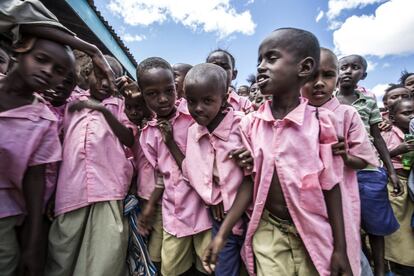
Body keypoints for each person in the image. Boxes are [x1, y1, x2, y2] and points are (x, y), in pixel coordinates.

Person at [203, 27, 352, 276]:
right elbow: (250, 182)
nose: (261, 67)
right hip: (268, 230)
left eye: (271, 59)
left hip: (313, 230)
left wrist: (340, 248)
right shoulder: (251, 124)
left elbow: (332, 187)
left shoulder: (321, 123)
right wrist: (223, 235)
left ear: (304, 68)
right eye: (259, 60)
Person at [45, 55, 135, 276]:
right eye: (100, 74)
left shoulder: (120, 105)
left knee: (104, 259)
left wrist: (103, 109)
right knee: (62, 256)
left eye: (112, 78)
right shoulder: (72, 104)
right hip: (70, 192)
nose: (106, 83)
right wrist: (51, 193)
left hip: (109, 192)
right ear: (87, 74)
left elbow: (130, 139)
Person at [302, 47, 380, 275]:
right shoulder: (294, 114)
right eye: (311, 76)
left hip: (342, 196)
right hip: (306, 199)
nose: (318, 83)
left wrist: (345, 155)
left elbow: (363, 160)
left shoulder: (347, 114)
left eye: (327, 75)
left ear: (336, 79)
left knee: (345, 248)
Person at [0, 37, 74, 276]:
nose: (47, 71)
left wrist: (33, 241)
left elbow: (36, 181)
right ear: (19, 50)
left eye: (59, 71)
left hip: (4, 215)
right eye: (41, 59)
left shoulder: (44, 121)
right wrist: (90, 49)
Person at [168, 63, 251, 276]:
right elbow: (193, 170)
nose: (198, 108)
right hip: (220, 216)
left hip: (249, 215)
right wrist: (213, 199)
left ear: (224, 99)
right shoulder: (194, 132)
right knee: (223, 269)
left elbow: (254, 175)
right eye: (192, 101)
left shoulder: (244, 127)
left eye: (207, 101)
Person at [137, 57, 212, 276]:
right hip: (174, 213)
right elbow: (162, 175)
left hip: (204, 209)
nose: (163, 99)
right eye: (152, 93)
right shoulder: (148, 135)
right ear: (142, 95)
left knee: (207, 266)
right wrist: (152, 204)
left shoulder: (194, 117)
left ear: (176, 87)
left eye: (169, 90)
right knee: (171, 270)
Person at [336, 54, 402, 276]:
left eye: (355, 68)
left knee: (376, 224)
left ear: (362, 75)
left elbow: (378, 137)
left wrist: (391, 171)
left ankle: (381, 268)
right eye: (343, 67)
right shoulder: (329, 100)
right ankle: (360, 264)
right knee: (348, 225)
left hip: (369, 170)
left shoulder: (369, 102)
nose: (347, 71)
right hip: (341, 171)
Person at [381, 98, 414, 275]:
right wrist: (398, 150)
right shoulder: (387, 133)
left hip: (410, 184)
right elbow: (377, 158)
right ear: (392, 118)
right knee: (398, 232)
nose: (412, 117)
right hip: (395, 184)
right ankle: (397, 265)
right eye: (406, 113)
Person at [206, 49, 253, 113]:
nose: (219, 71)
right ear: (205, 73)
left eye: (224, 67)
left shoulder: (245, 104)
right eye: (213, 67)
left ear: (234, 74)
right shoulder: (195, 100)